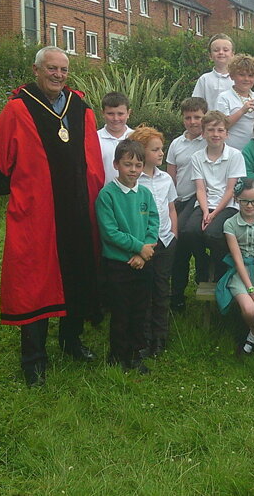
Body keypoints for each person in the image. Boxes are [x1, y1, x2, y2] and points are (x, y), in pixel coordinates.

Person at [0, 46, 104, 387]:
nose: (58, 75)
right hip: (39, 213)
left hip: (78, 208)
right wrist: (23, 190)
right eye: (51, 69)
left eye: (63, 69)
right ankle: (33, 357)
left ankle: (71, 340)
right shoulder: (18, 110)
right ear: (36, 70)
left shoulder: (80, 107)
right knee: (34, 279)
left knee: (77, 270)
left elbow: (92, 159)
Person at [95, 139, 159, 373]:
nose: (133, 170)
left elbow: (154, 222)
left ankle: (135, 355)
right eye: (127, 164)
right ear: (116, 165)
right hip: (118, 264)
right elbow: (110, 232)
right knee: (121, 311)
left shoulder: (145, 193)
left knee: (139, 310)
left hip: (143, 262)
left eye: (138, 165)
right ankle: (117, 355)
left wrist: (144, 252)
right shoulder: (107, 195)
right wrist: (137, 248)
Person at [181, 111, 247, 282]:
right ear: (203, 133)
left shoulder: (235, 155)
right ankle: (203, 265)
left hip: (227, 205)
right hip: (204, 204)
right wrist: (205, 212)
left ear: (227, 133)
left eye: (220, 130)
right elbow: (201, 189)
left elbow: (231, 190)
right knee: (190, 231)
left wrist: (214, 213)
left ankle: (221, 269)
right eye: (210, 130)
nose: (215, 134)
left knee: (213, 234)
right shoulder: (197, 157)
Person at [131, 126, 178, 357]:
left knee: (161, 289)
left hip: (165, 240)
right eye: (156, 150)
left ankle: (160, 338)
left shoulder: (165, 178)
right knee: (143, 290)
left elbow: (171, 208)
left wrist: (174, 234)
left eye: (162, 149)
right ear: (142, 151)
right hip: (143, 244)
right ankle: (143, 337)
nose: (161, 154)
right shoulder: (134, 181)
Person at [216, 179, 254, 356]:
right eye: (244, 201)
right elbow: (237, 258)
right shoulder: (230, 223)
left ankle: (250, 339)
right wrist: (250, 289)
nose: (250, 205)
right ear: (236, 199)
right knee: (250, 311)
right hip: (239, 271)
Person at [167, 97, 209, 311]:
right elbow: (171, 175)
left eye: (198, 117)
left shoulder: (210, 140)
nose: (193, 122)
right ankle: (178, 293)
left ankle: (202, 270)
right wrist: (170, 202)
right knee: (178, 247)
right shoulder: (176, 143)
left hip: (200, 199)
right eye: (188, 118)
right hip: (179, 199)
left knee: (184, 235)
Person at [215, 54, 254, 151]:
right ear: (232, 76)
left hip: (253, 150)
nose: (246, 79)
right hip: (232, 150)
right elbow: (222, 125)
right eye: (241, 75)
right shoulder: (224, 97)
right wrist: (242, 111)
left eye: (250, 75)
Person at [97, 92, 133, 187]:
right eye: (110, 114)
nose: (115, 118)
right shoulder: (95, 139)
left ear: (128, 113)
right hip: (103, 196)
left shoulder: (137, 137)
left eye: (120, 114)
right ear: (103, 113)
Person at [192, 34, 235, 110]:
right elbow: (196, 104)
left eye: (225, 50)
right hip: (210, 121)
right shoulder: (204, 79)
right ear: (210, 56)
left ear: (232, 54)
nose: (221, 52)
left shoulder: (238, 79)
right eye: (216, 50)